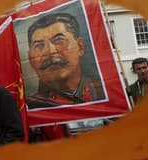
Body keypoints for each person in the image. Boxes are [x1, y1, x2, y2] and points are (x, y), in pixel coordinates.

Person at [26, 13, 106, 142]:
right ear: (30, 59)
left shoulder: (106, 93)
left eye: (58, 40)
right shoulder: (29, 108)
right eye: (39, 46)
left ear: (80, 47)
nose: (50, 51)